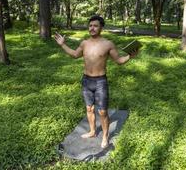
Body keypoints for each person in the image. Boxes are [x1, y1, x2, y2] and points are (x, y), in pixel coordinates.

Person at [54, 15, 139, 148]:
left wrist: (129, 56)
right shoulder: (84, 43)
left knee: (103, 112)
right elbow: (75, 55)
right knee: (89, 108)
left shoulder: (108, 44)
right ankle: (93, 131)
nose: (92, 28)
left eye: (95, 26)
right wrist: (62, 44)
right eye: (90, 26)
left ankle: (105, 136)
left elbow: (119, 61)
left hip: (100, 82)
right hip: (86, 81)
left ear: (101, 28)